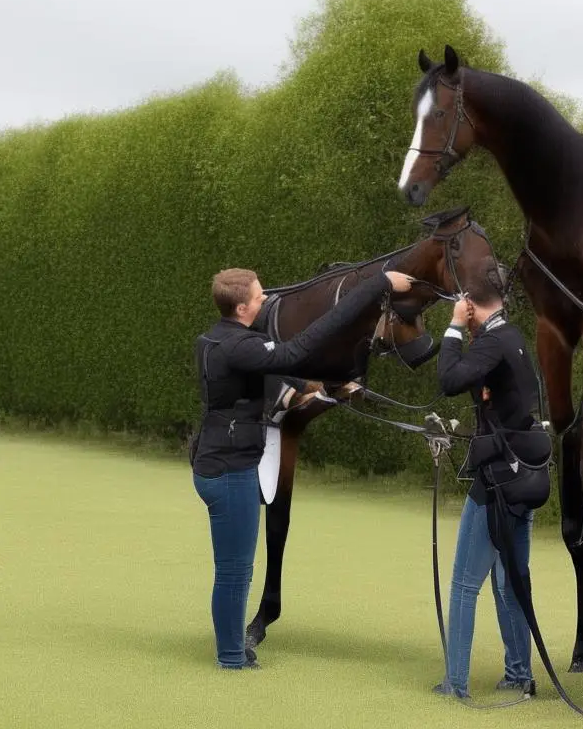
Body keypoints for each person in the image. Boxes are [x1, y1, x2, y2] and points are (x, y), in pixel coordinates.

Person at [191, 266, 413, 670]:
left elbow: (281, 369)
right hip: (228, 469)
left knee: (233, 569)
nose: (266, 300)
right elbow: (297, 350)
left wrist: (327, 391)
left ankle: (232, 649)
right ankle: (230, 656)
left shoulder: (219, 340)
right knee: (235, 571)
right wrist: (377, 285)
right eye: (259, 297)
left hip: (217, 462)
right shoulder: (239, 346)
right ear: (241, 307)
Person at [431, 279, 548, 699]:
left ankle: (456, 683)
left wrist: (453, 328)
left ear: (470, 305)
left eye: (463, 307)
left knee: (464, 584)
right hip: (523, 474)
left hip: (497, 479)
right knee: (510, 580)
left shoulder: (492, 340)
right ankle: (519, 674)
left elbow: (447, 379)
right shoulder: (514, 337)